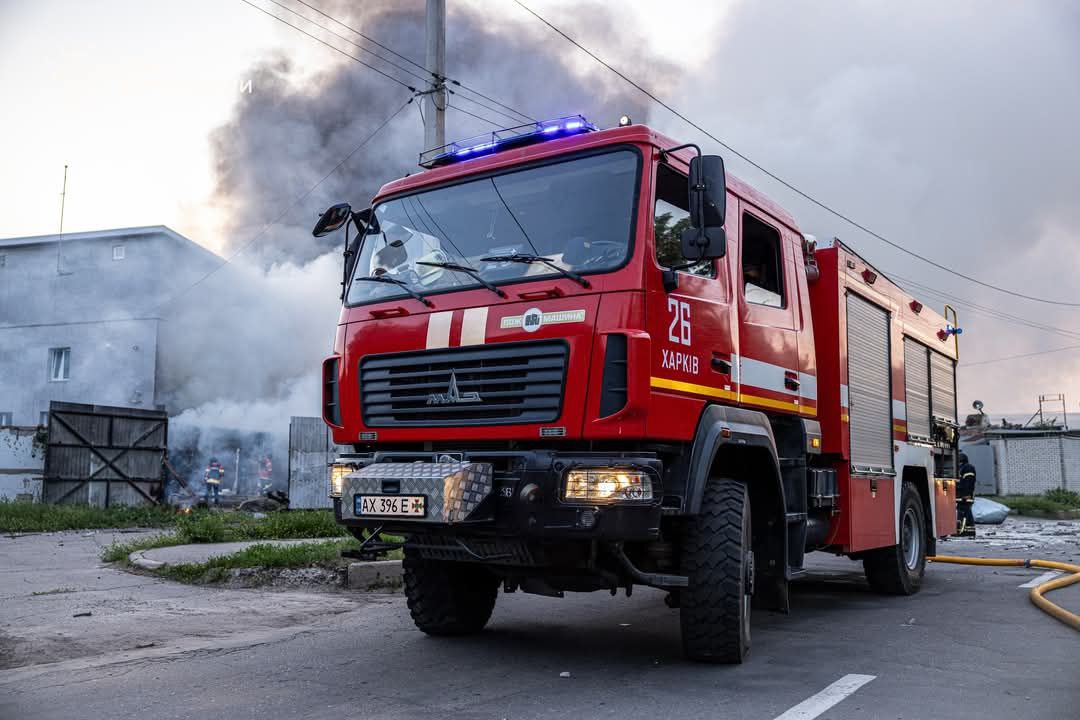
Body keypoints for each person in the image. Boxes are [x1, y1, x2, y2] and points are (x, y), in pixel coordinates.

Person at [956, 452, 977, 537]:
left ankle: (965, 531)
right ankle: (968, 531)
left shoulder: (968, 468)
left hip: (966, 495)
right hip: (962, 494)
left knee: (964, 512)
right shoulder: (963, 468)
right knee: (965, 511)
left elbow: (969, 482)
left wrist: (967, 494)